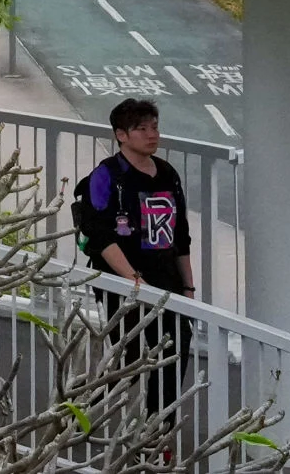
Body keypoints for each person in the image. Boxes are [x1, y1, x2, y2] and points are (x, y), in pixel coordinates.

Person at [74, 96, 196, 438]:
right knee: (129, 356)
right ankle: (78, 409)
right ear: (121, 135)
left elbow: (180, 235)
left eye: (154, 127)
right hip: (122, 280)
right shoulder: (106, 176)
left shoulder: (167, 174)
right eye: (141, 129)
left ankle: (158, 429)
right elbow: (97, 234)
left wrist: (188, 287)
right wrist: (132, 279)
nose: (152, 135)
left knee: (174, 346)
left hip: (165, 277)